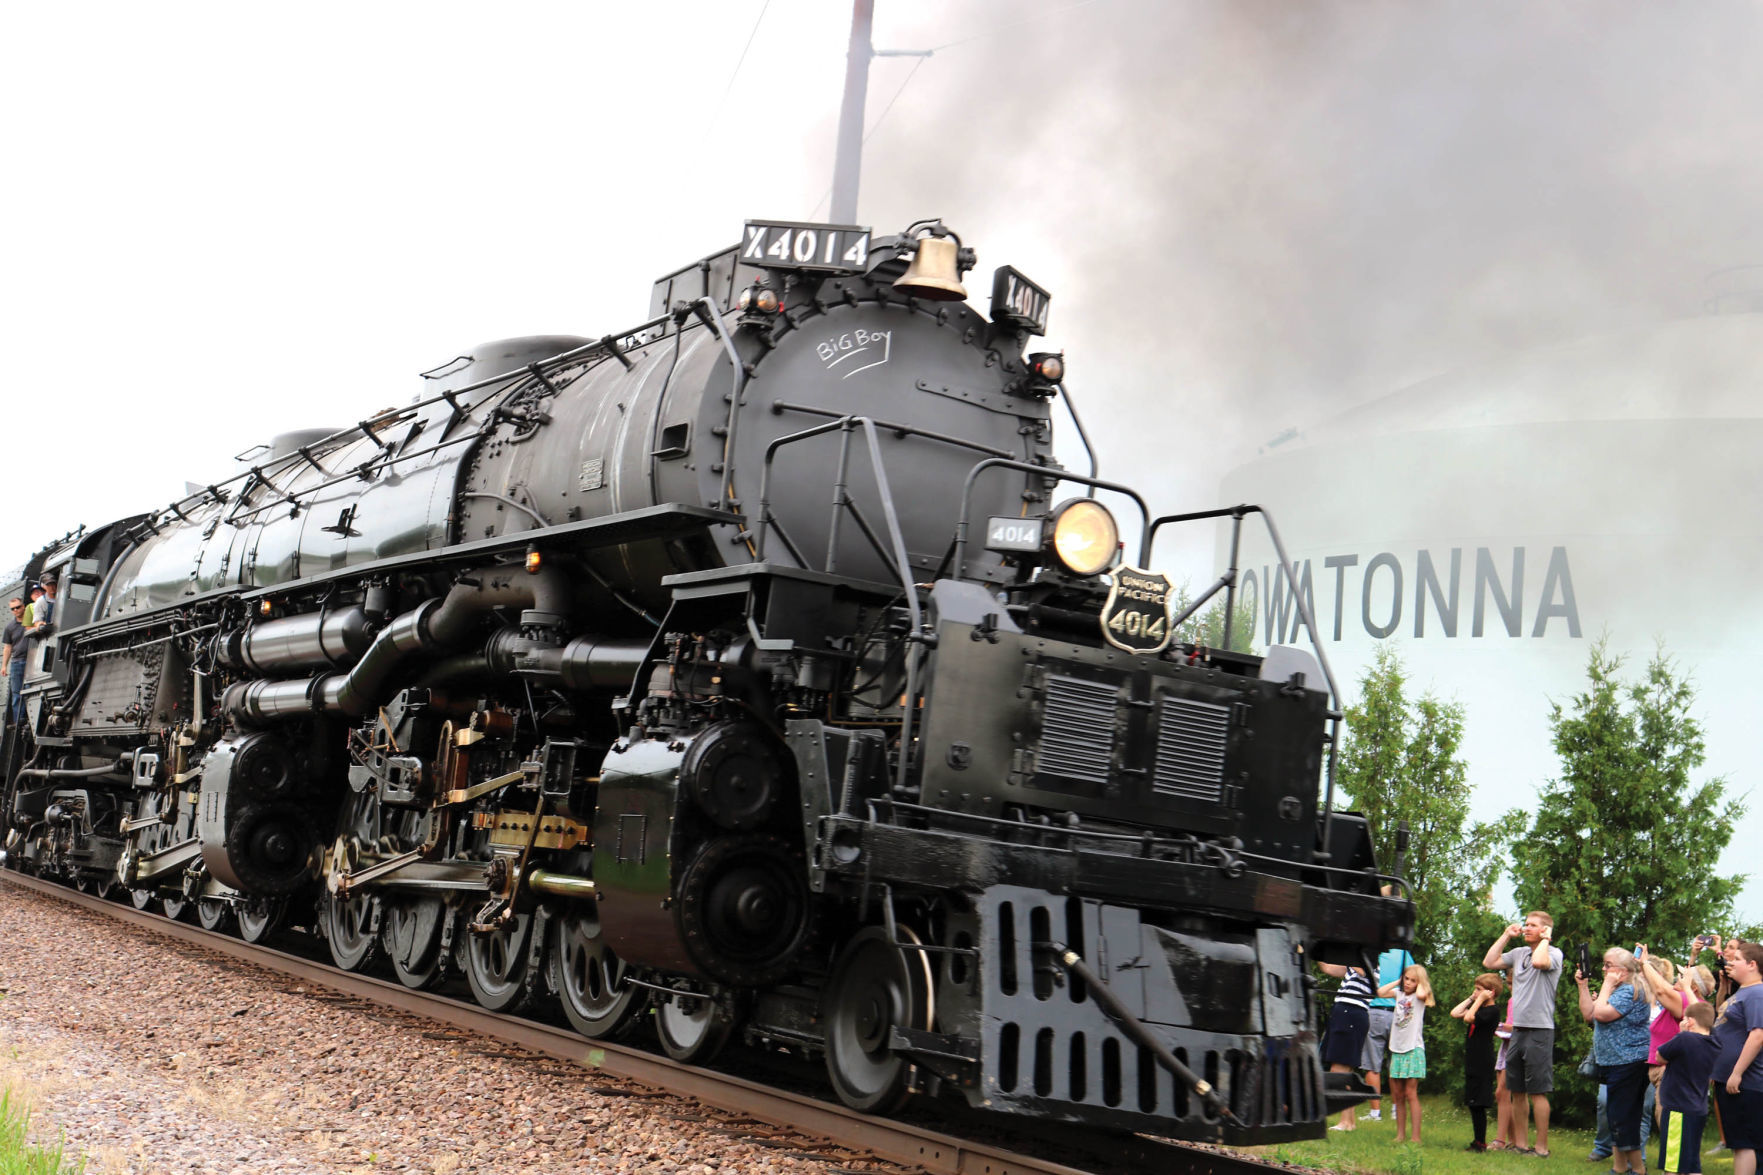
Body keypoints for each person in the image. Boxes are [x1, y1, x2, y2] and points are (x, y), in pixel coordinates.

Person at [1485, 911, 1564, 1156]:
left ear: (1545, 930)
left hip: (1540, 1030)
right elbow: (1489, 962)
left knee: (1537, 1092)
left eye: (1533, 925)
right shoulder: (1518, 954)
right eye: (1526, 924)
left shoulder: (1553, 953)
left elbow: (1540, 962)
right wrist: (1506, 935)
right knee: (1516, 1090)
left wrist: (1546, 940)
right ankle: (1520, 1145)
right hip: (1517, 1031)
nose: (1526, 928)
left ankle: (1541, 1147)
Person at [1580, 947, 1655, 1175]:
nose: (1604, 969)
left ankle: (1638, 1170)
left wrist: (1606, 987)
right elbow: (1589, 1015)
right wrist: (1582, 986)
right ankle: (1619, 1168)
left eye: (1608, 965)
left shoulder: (1629, 990)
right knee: (1616, 1116)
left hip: (1628, 1062)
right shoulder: (1620, 990)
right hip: (1615, 1063)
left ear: (1622, 971)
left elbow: (1601, 1014)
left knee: (1624, 1116)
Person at [1712, 942, 1763, 1175]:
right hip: (1730, 1081)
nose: (1730, 962)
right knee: (1739, 1143)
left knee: (1744, 1144)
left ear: (1752, 964)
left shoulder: (1757, 993)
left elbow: (1758, 1035)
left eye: (1738, 959)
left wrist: (1736, 1073)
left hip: (1746, 1083)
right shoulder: (1742, 992)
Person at [1656, 1001, 1721, 1174]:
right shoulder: (1715, 1043)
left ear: (1690, 1021)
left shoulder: (1685, 1038)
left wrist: (1682, 1032)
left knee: (1673, 1161)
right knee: (1691, 1161)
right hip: (1698, 1108)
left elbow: (1660, 1057)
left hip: (1678, 1108)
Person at [1379, 963, 1434, 1144]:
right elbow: (1380, 992)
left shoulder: (1420, 998)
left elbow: (1421, 993)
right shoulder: (1398, 994)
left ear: (1420, 982)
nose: (1409, 983)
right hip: (1397, 1048)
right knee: (1398, 1096)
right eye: (1407, 979)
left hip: (1413, 1048)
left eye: (1413, 980)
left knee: (1411, 1093)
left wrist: (1420, 982)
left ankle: (1415, 1137)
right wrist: (1398, 981)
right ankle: (1400, 1135)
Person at [1319, 959, 1375, 1131]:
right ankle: (1349, 1122)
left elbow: (1361, 969)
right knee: (1345, 1070)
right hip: (1346, 1012)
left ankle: (1345, 1122)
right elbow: (1328, 967)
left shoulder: (1367, 960)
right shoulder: (1352, 967)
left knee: (1339, 1070)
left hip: (1350, 1012)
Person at [1362, 945, 1415, 1122]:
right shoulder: (1404, 955)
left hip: (1375, 1011)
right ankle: (1395, 1109)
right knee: (1396, 1064)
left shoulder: (1371, 951)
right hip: (1399, 1013)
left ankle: (1375, 1113)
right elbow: (1415, 980)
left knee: (1372, 1064)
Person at [1453, 972, 1503, 1151]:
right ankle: (1477, 1141)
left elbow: (1468, 1018)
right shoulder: (1479, 1008)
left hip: (1483, 1060)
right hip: (1473, 1060)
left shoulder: (1492, 1011)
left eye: (1479, 989)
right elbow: (1456, 1013)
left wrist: (1479, 1001)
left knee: (1479, 1103)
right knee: (1473, 1102)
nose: (1475, 992)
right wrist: (1471, 998)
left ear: (1491, 992)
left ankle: (1480, 1142)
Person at [2, 597, 26, 726]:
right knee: (16, 694)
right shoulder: (10, 627)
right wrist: (4, 666)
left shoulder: (32, 620)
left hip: (32, 660)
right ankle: (19, 722)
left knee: (29, 691)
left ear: (23, 606)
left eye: (18, 607)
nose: (16, 610)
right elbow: (8, 647)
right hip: (17, 662)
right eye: (13, 608)